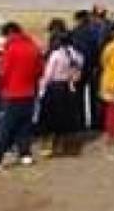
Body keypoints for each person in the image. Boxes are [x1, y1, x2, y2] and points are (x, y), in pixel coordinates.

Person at [0, 22, 44, 169]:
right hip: (30, 92)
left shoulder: (10, 49)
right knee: (24, 125)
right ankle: (25, 155)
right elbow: (40, 71)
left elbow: (2, 73)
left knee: (6, 127)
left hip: (12, 93)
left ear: (9, 33)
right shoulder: (33, 47)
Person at [37, 27, 86, 157]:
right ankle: (62, 146)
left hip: (54, 87)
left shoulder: (56, 55)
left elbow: (48, 74)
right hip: (68, 87)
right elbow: (78, 74)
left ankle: (47, 147)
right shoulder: (77, 55)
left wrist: (42, 90)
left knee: (49, 119)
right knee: (64, 119)